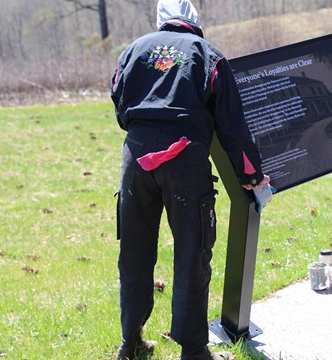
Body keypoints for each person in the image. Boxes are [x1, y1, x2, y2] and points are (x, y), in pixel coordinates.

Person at [110, 0, 272, 358]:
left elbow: (119, 104)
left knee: (134, 253)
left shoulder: (133, 50)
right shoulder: (209, 55)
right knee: (191, 254)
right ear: (195, 22)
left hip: (136, 159)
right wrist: (252, 175)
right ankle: (194, 350)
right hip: (185, 162)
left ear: (160, 21)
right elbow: (232, 125)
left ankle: (131, 342)